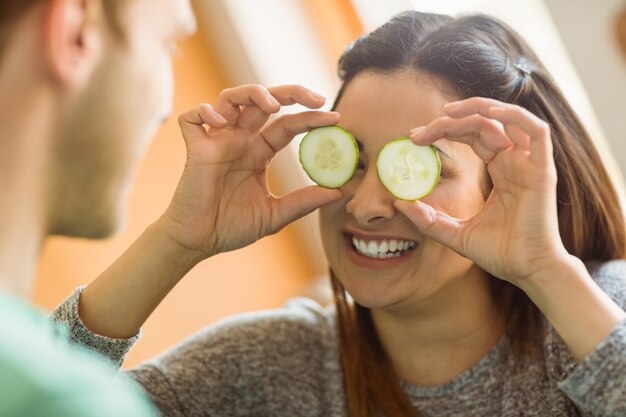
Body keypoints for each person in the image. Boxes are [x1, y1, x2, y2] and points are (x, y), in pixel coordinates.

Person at [51, 10, 626, 417]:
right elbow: (30, 395)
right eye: (348, 159)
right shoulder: (265, 368)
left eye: (418, 169)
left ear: (504, 187)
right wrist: (177, 239)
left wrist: (547, 271)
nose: (368, 205)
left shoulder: (601, 313)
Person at [0, 0, 338, 415]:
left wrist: (178, 239)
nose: (165, 110)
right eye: (168, 45)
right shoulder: (67, 400)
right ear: (75, 33)